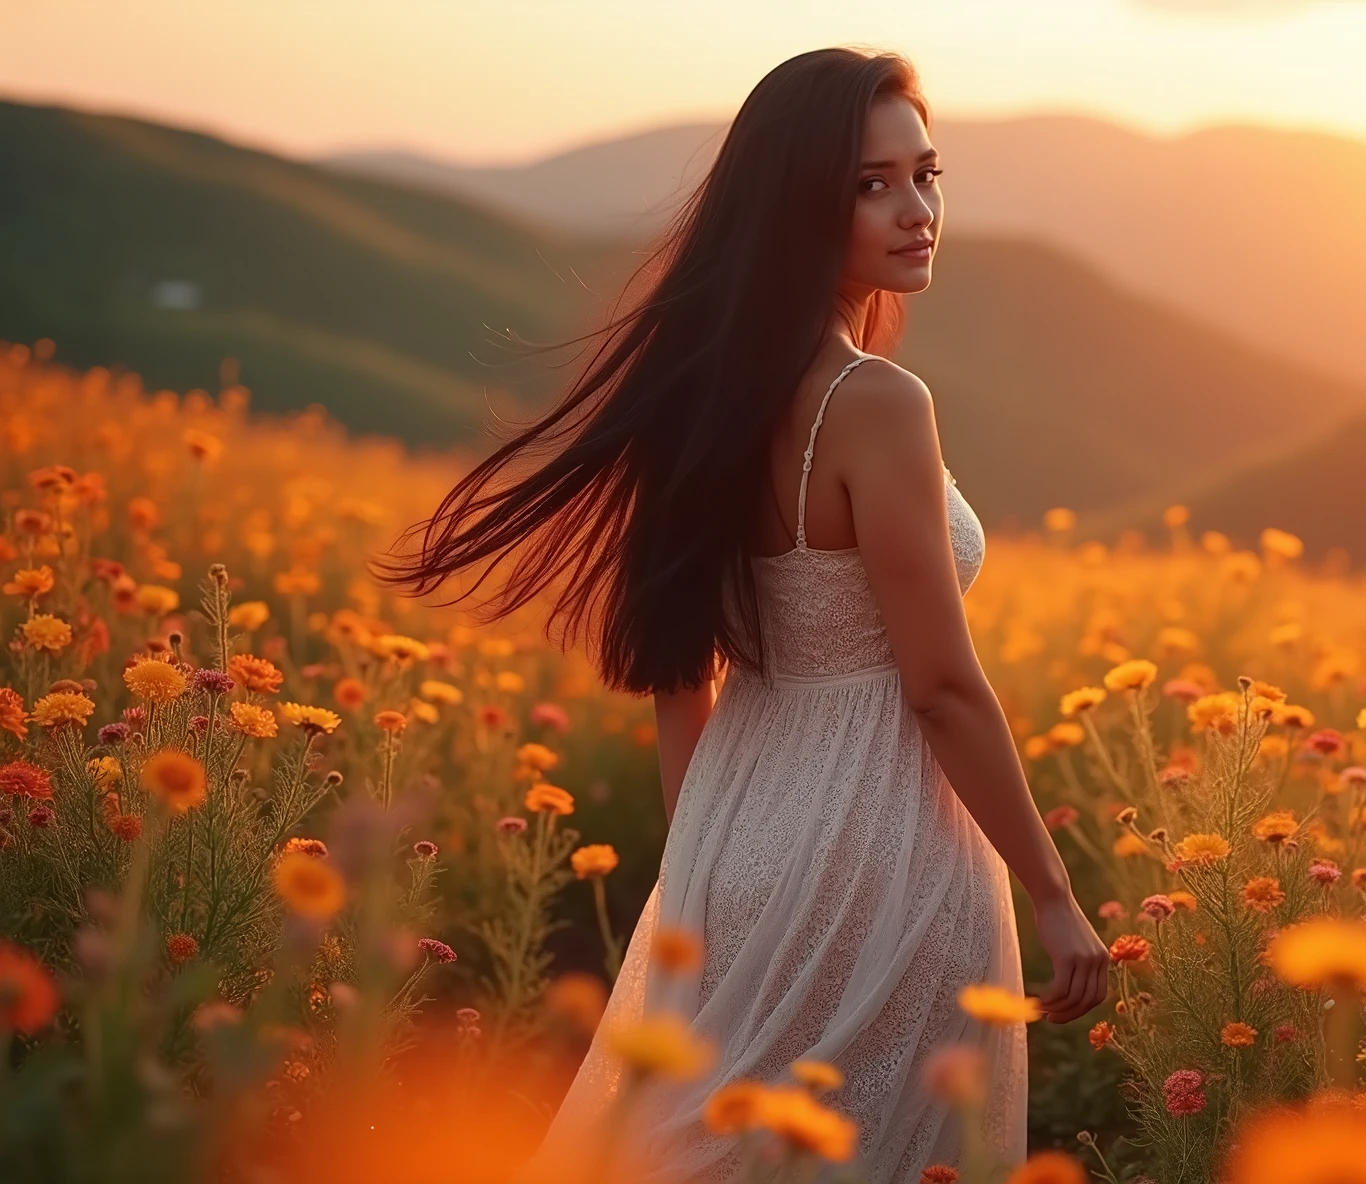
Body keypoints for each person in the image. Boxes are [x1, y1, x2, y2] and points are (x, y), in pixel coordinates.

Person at [377, 46, 1108, 1182]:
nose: (915, 211)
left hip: (739, 828)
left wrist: (704, 866)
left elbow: (681, 672)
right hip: (883, 838)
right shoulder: (874, 402)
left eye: (926, 172)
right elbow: (941, 685)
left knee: (712, 1143)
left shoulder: (705, 390)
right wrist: (1054, 893)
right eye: (871, 184)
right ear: (795, 206)